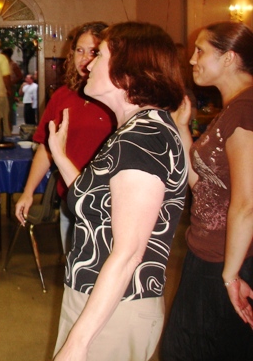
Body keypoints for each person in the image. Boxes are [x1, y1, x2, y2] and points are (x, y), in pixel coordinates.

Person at [24, 22, 188, 360]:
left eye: (99, 55)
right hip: (99, 299)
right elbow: (99, 203)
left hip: (115, 307)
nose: (88, 64)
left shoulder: (142, 138)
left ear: (126, 72)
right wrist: (60, 155)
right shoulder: (133, 131)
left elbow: (128, 253)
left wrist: (77, 343)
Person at [160, 22, 253, 360]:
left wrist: (230, 276)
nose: (192, 59)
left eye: (201, 51)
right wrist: (183, 128)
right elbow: (202, 185)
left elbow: (247, 204)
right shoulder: (233, 108)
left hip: (228, 260)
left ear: (229, 58)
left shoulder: (245, 111)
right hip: (208, 254)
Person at [16, 22, 113, 254]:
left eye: (93, 51)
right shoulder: (62, 96)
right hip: (70, 200)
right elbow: (46, 148)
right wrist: (28, 192)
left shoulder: (117, 98)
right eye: (79, 50)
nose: (85, 59)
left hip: (108, 205)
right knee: (73, 268)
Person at [2, 47, 23, 129]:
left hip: (10, 87)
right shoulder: (2, 64)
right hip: (1, 88)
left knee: (9, 108)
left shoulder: (13, 65)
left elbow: (20, 76)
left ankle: (9, 127)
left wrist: (11, 82)